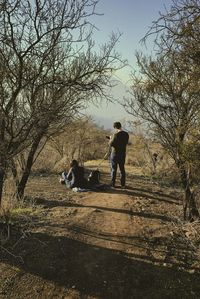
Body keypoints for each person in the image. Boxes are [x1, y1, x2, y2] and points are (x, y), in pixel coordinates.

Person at [109, 122, 129, 188]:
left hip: (115, 154)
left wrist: (111, 138)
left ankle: (113, 184)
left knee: (114, 169)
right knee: (122, 169)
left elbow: (111, 144)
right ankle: (123, 185)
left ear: (115, 127)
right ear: (120, 126)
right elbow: (125, 142)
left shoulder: (115, 134)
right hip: (122, 154)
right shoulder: (126, 134)